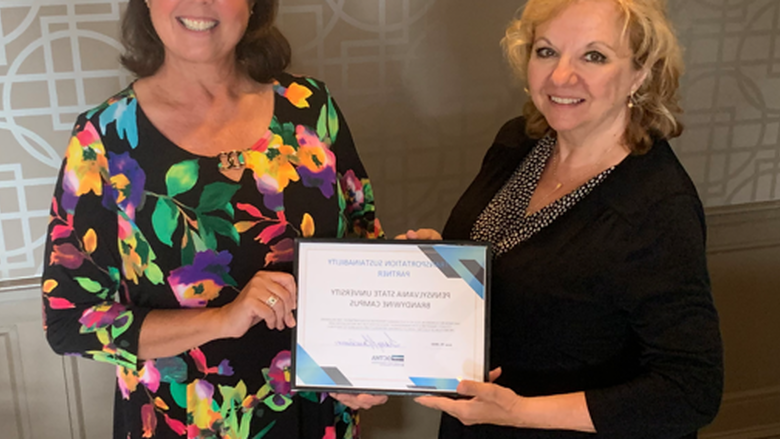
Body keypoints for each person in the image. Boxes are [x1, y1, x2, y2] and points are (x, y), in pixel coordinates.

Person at [41, 0, 386, 438]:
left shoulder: (312, 109)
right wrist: (223, 318)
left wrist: (367, 372)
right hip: (183, 421)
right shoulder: (104, 138)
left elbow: (365, 252)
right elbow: (70, 322)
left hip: (313, 416)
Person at [407, 0, 724, 437]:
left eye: (594, 56)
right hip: (477, 422)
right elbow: (511, 264)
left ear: (641, 72)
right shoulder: (519, 143)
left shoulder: (655, 208)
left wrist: (519, 412)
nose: (560, 76)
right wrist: (443, 263)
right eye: (546, 51)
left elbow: (691, 390)